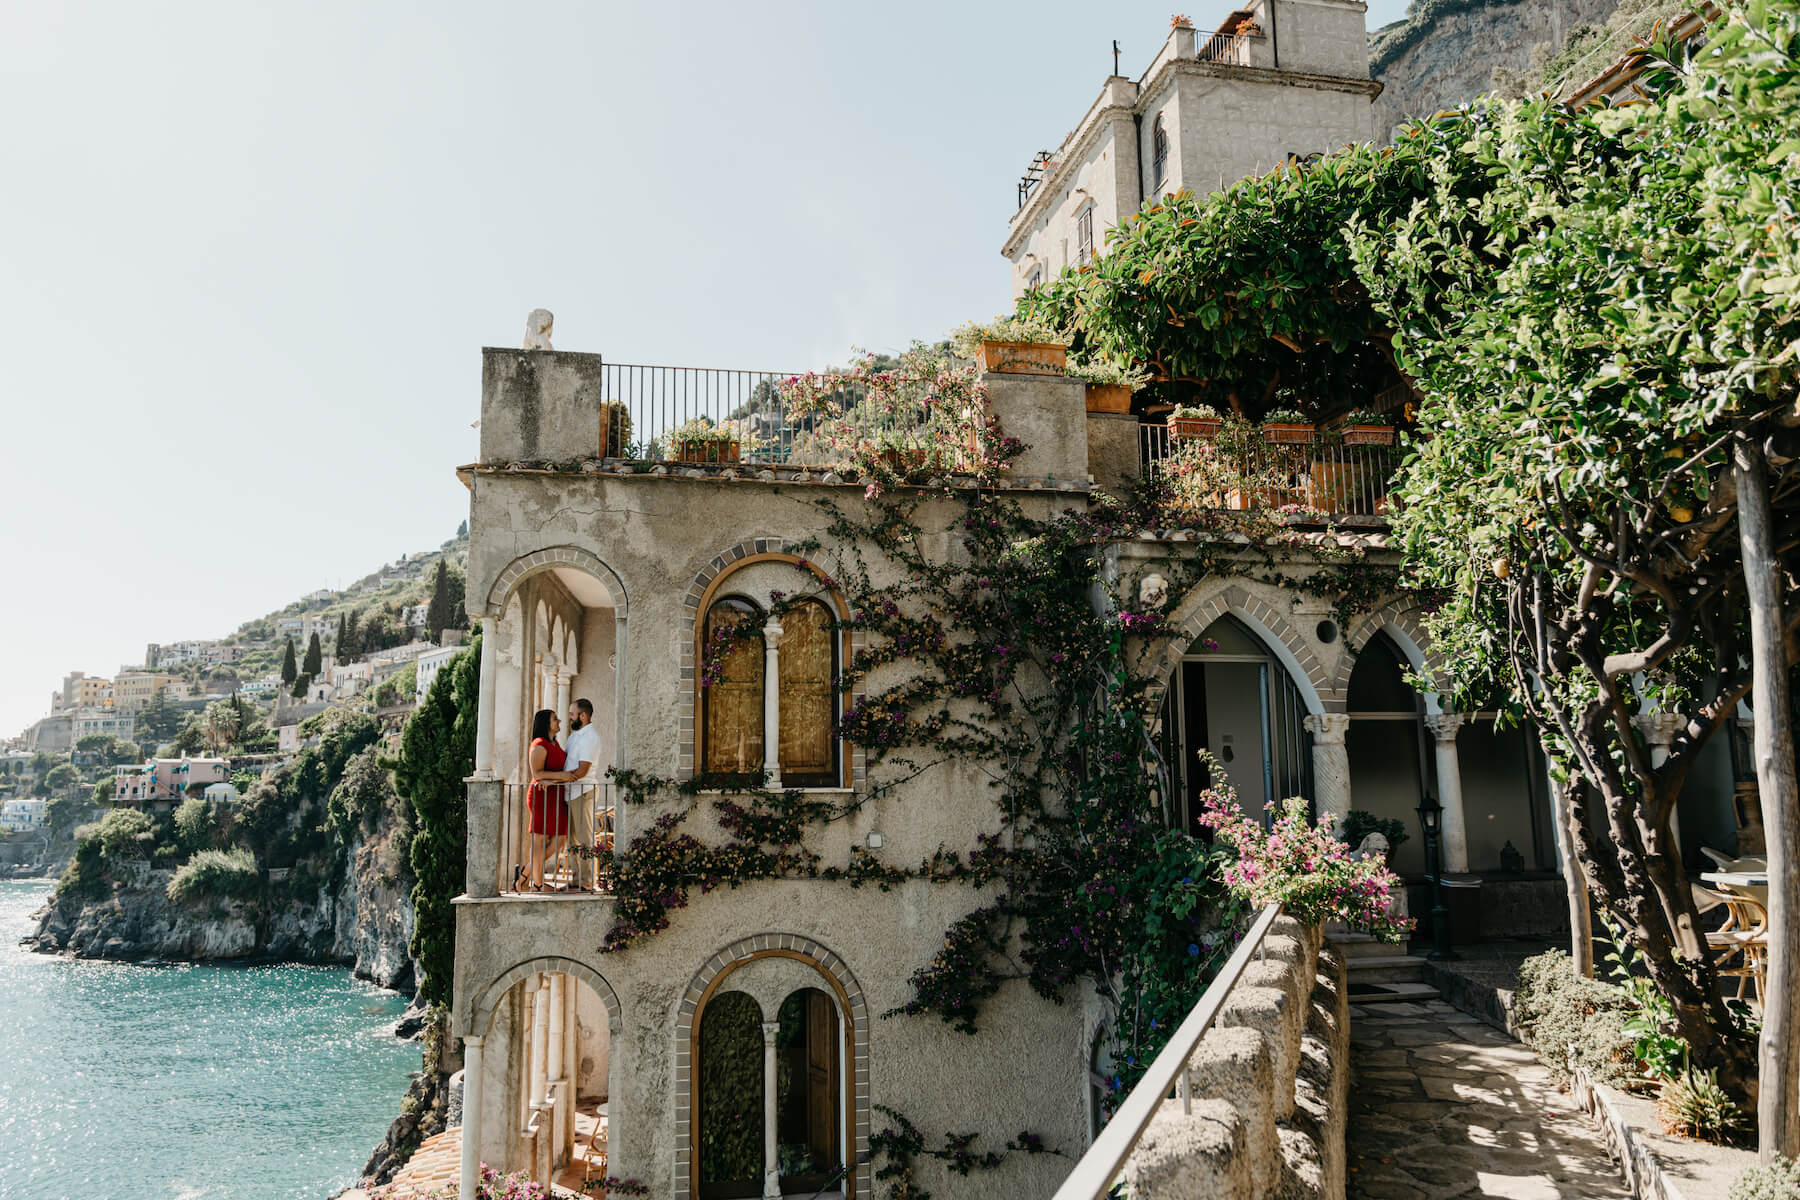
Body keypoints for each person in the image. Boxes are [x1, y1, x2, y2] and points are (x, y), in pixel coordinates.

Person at [524, 708, 576, 891]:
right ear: (546, 723)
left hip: (555, 794)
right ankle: (537, 885)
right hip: (541, 795)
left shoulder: (554, 743)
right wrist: (563, 776)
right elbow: (537, 774)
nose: (559, 721)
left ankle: (525, 873)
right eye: (555, 719)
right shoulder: (539, 745)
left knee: (560, 839)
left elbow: (551, 776)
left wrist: (556, 779)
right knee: (539, 840)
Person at [563, 698, 603, 889]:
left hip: (583, 791)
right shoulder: (574, 736)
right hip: (570, 792)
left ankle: (587, 881)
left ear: (583, 715)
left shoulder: (589, 737)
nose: (570, 717)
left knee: (585, 838)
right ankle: (576, 879)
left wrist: (555, 779)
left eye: (573, 713)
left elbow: (582, 770)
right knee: (573, 839)